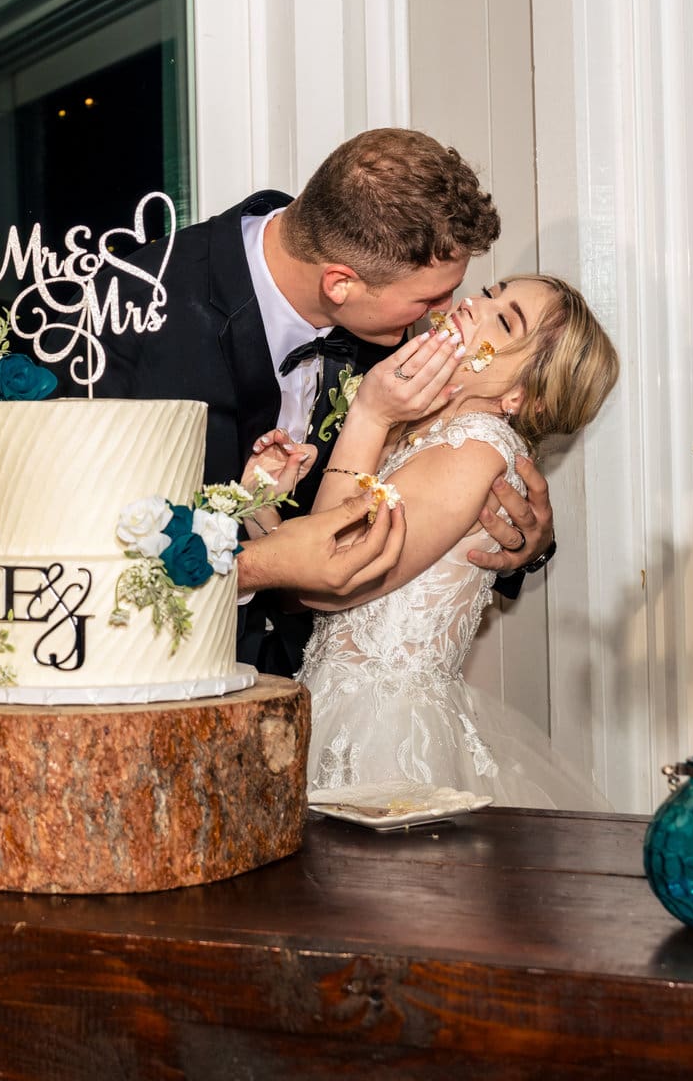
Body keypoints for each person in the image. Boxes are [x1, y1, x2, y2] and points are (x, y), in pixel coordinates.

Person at [94, 129, 556, 674]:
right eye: (429, 298)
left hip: (327, 683)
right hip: (171, 674)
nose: (446, 312)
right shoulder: (132, 319)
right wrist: (261, 566)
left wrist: (523, 544)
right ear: (339, 284)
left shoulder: (381, 276)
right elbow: (84, 555)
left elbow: (435, 479)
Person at [243, 275, 619, 808]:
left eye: (504, 320)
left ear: (522, 396)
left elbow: (327, 579)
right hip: (324, 697)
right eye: (490, 293)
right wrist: (260, 503)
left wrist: (368, 414)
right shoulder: (419, 429)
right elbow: (301, 582)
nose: (473, 305)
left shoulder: (475, 450)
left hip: (383, 735)